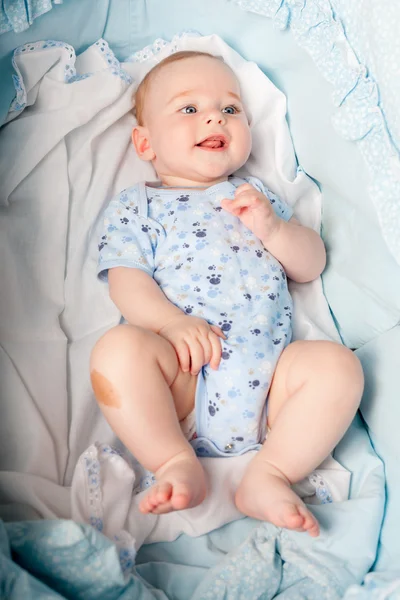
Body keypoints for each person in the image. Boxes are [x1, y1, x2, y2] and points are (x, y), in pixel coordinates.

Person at [90, 50, 363, 537]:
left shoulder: (255, 195)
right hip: (183, 381)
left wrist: (275, 230)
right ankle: (173, 457)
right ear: (145, 142)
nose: (216, 116)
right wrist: (170, 325)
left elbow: (311, 264)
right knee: (117, 351)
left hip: (272, 388)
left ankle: (270, 472)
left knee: (338, 367)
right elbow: (125, 280)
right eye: (189, 109)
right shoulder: (139, 206)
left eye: (231, 109)